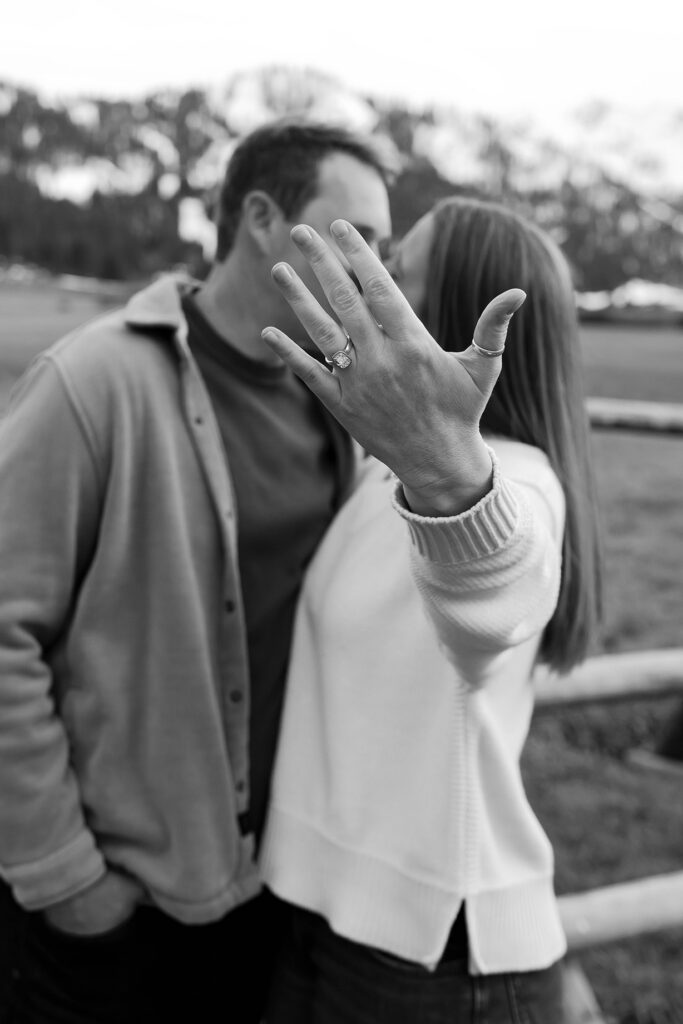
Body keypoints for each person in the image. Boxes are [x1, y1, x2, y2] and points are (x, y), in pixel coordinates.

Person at [0, 118, 398, 1024]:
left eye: (387, 247)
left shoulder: (340, 403)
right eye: (359, 237)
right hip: (114, 909)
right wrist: (65, 876)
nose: (378, 268)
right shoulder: (94, 381)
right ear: (260, 216)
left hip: (273, 893)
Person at [255, 198, 603, 1022]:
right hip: (323, 923)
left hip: (433, 962)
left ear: (440, 316)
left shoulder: (511, 481)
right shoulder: (385, 474)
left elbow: (495, 594)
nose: (367, 284)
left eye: (395, 272)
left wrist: (449, 477)